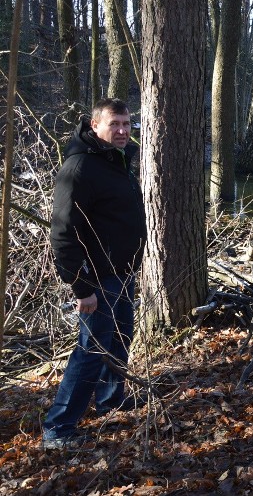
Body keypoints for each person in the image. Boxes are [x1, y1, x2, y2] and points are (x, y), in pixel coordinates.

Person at [42, 98, 147, 450]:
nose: (121, 131)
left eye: (126, 124)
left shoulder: (114, 161)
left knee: (119, 340)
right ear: (94, 125)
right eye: (114, 124)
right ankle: (58, 429)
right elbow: (62, 233)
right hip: (98, 280)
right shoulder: (80, 168)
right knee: (91, 350)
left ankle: (110, 399)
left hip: (122, 273)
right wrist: (81, 287)